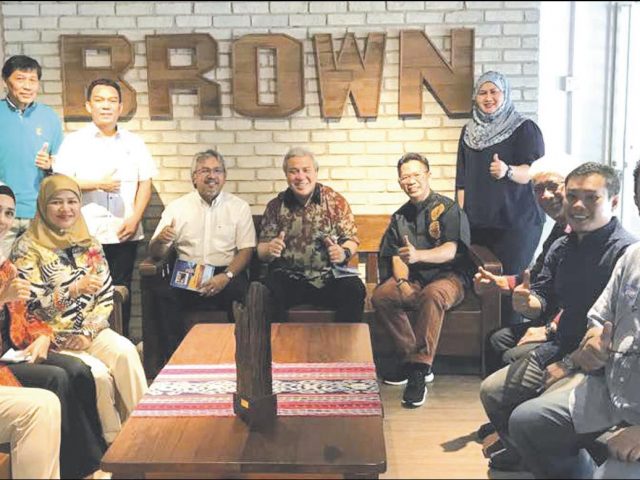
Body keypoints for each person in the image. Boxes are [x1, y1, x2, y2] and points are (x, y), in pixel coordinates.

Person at [478, 162, 637, 471]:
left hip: (600, 367)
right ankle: (523, 452)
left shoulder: (625, 252)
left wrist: (567, 364)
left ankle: (557, 457)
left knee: (533, 414)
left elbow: (611, 337)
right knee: (492, 392)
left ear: (614, 201)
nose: (577, 205)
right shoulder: (562, 245)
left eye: (591, 197)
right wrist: (527, 303)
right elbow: (541, 295)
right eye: (573, 196)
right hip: (562, 348)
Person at [11, 174, 147, 445]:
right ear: (43, 205)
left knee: (126, 352)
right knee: (99, 376)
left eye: (72, 201)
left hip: (90, 331)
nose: (66, 209)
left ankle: (145, 431)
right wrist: (71, 291)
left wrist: (88, 332)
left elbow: (105, 294)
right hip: (50, 337)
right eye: (56, 202)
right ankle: (113, 445)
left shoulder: (89, 242)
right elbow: (29, 309)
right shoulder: (26, 247)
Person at [0, 183, 104, 479]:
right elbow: (36, 304)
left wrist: (44, 335)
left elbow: (25, 316)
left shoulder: (5, 266)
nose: (3, 220)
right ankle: (79, 467)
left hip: (18, 347)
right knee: (56, 377)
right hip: (6, 360)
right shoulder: (24, 250)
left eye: (9, 213)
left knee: (78, 370)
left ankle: (95, 459)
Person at [54, 78, 157, 339]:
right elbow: (61, 183)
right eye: (99, 100)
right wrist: (98, 184)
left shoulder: (134, 143)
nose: (106, 106)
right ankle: (86, 344)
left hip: (123, 232)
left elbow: (145, 182)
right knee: (85, 291)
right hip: (84, 235)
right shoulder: (74, 142)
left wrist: (136, 218)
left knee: (121, 292)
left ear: (120, 107)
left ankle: (121, 344)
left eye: (112, 101)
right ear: (89, 106)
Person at [371, 153, 470, 408]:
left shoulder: (449, 209)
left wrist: (418, 256)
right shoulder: (399, 217)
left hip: (449, 277)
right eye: (405, 177)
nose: (410, 181)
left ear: (428, 175)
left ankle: (418, 370)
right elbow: (397, 256)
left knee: (432, 295)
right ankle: (413, 362)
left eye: (416, 174)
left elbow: (450, 250)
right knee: (382, 296)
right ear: (399, 182)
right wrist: (402, 283)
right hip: (414, 279)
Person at [456, 70, 545, 326]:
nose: (488, 98)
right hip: (479, 226)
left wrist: (507, 171)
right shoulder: (468, 133)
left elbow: (535, 173)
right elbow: (461, 182)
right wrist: (462, 222)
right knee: (483, 288)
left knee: (509, 289)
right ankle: (489, 346)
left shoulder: (524, 128)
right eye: (482, 93)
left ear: (504, 94)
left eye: (494, 92)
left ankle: (510, 343)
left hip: (516, 224)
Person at [475, 156, 579, 375]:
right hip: (550, 319)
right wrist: (501, 282)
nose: (545, 195)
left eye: (552, 186)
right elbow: (537, 275)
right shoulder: (559, 230)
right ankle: (495, 395)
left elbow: (587, 297)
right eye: (538, 189)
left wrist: (551, 328)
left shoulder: (583, 233)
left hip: (573, 327)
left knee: (511, 356)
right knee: (496, 340)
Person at [149, 149, 256, 361]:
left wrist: (226, 276)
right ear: (194, 178)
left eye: (217, 171)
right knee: (162, 294)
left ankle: (242, 361)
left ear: (224, 176)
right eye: (205, 171)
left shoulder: (239, 207)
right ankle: (175, 361)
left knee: (246, 294)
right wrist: (161, 240)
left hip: (225, 272)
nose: (211, 176)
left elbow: (246, 250)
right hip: (189, 271)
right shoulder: (177, 207)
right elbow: (155, 252)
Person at [257, 147, 366, 323]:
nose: (300, 177)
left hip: (329, 278)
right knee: (267, 290)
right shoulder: (275, 206)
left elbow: (351, 239)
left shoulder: (335, 201)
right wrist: (270, 249)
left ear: (315, 172)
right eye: (294, 171)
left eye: (306, 170)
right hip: (290, 278)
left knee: (354, 288)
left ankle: (344, 341)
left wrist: (343, 252)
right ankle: (278, 340)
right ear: (286, 175)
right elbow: (261, 249)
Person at [0, 55, 63, 256]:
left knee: (38, 271)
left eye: (33, 80)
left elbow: (62, 165)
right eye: (20, 79)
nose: (27, 86)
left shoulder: (49, 117)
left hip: (38, 214)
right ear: (5, 80)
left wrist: (51, 164)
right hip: (2, 216)